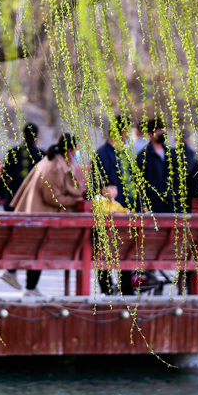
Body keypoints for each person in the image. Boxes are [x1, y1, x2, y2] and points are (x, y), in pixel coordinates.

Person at [10, 133, 85, 295]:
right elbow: (53, 197)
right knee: (38, 248)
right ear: (70, 151)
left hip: (36, 212)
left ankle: (24, 282)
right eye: (77, 149)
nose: (78, 153)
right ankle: (21, 279)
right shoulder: (56, 167)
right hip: (39, 215)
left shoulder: (55, 161)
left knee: (37, 248)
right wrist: (76, 200)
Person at [90, 115, 137, 295]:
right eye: (126, 132)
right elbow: (95, 185)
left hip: (125, 210)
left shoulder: (126, 154)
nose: (127, 136)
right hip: (108, 213)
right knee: (104, 250)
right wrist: (105, 192)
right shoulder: (102, 154)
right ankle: (107, 288)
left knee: (126, 250)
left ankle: (126, 287)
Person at [0, 123, 46, 290]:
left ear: (23, 136)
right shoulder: (42, 155)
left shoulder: (12, 153)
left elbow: (4, 178)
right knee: (31, 240)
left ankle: (11, 270)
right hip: (33, 205)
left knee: (17, 237)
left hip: (13, 204)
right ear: (37, 137)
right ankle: (25, 281)